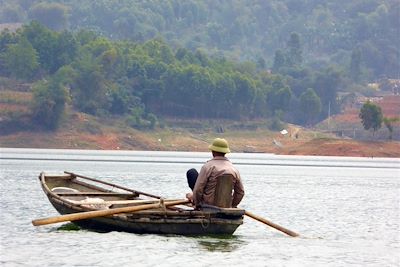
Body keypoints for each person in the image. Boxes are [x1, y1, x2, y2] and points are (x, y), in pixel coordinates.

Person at [186, 138, 244, 209]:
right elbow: (240, 192)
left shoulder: (208, 167)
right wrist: (231, 205)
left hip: (207, 205)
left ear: (213, 151)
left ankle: (193, 198)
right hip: (226, 205)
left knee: (192, 172)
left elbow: (198, 189)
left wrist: (197, 204)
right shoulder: (234, 170)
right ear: (225, 152)